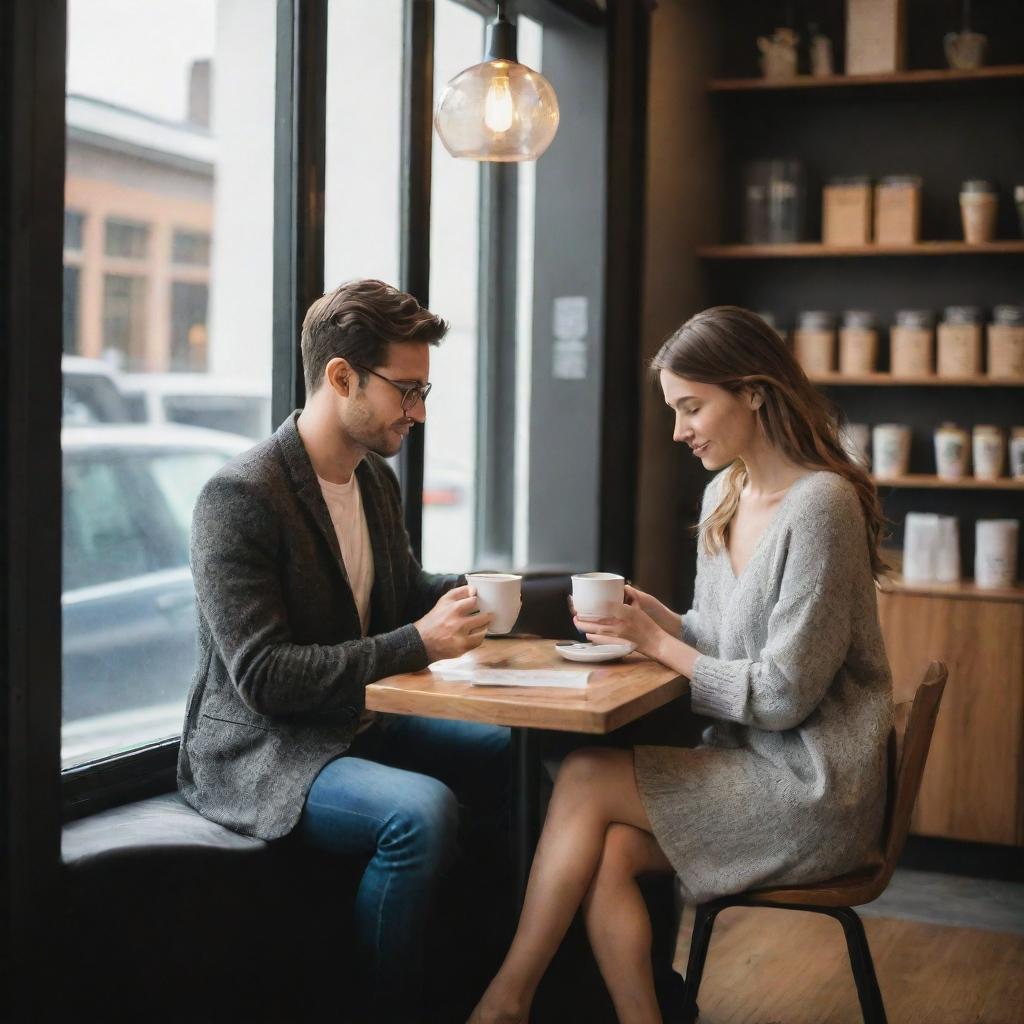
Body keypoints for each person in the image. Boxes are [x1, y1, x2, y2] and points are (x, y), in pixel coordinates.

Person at [469, 306, 894, 1024]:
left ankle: (506, 1001)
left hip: (812, 786)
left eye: (691, 407)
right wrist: (653, 619)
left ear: (754, 391)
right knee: (607, 854)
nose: (679, 430)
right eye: (675, 410)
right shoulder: (726, 494)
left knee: (582, 776)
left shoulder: (822, 507)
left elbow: (784, 694)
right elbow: (715, 636)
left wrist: (656, 642)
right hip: (750, 762)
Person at [177, 278, 510, 1023]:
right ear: (340, 377)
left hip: (357, 724)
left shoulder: (374, 484)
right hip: (266, 749)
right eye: (407, 390)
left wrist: (483, 591)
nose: (419, 412)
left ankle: (486, 986)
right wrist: (416, 643)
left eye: (424, 392)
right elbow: (265, 678)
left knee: (510, 754)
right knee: (420, 813)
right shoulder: (240, 498)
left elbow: (395, 594)